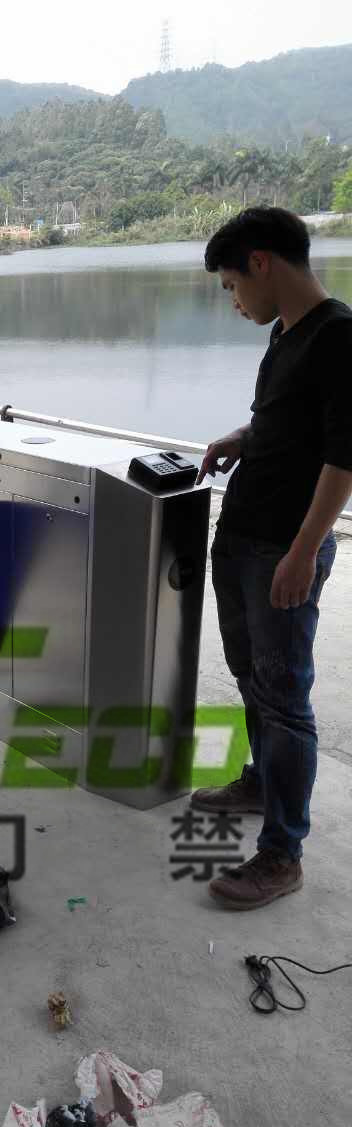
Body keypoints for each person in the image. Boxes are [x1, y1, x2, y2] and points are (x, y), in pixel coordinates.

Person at [193, 207, 352, 910]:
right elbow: (283, 421)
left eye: (232, 285)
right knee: (251, 677)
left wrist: (304, 551)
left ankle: (282, 855)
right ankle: (261, 782)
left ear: (261, 262)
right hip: (241, 535)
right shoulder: (287, 333)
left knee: (284, 699)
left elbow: (344, 457)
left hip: (281, 549)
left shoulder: (339, 336)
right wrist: (241, 437)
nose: (233, 301)